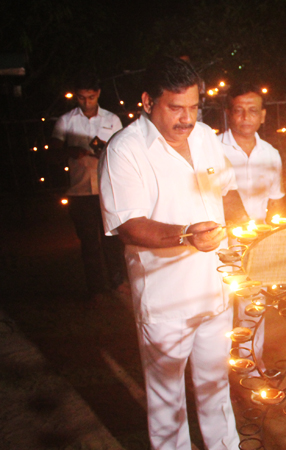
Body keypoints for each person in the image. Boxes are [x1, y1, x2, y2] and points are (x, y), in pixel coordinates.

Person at [99, 56, 248, 450]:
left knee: (216, 385)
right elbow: (129, 224)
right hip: (167, 299)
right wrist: (185, 235)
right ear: (148, 102)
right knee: (167, 399)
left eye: (194, 107)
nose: (187, 119)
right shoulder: (125, 150)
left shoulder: (205, 137)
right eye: (176, 108)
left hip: (216, 288)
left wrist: (248, 236)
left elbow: (228, 190)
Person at [220, 82, 285, 371]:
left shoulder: (271, 154)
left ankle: (251, 364)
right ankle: (218, 368)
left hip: (258, 242)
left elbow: (277, 200)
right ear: (228, 113)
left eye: (253, 110)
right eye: (239, 110)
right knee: (220, 307)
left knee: (253, 306)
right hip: (220, 243)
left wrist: (275, 242)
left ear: (263, 115)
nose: (245, 117)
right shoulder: (213, 149)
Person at [50, 73, 125, 302]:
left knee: (112, 240)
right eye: (81, 98)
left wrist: (106, 151)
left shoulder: (112, 119)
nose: (86, 102)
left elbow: (122, 150)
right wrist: (70, 151)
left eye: (90, 97)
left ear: (98, 94)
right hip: (80, 190)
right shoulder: (66, 120)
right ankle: (96, 289)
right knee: (89, 243)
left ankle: (118, 282)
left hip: (107, 190)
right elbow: (53, 151)